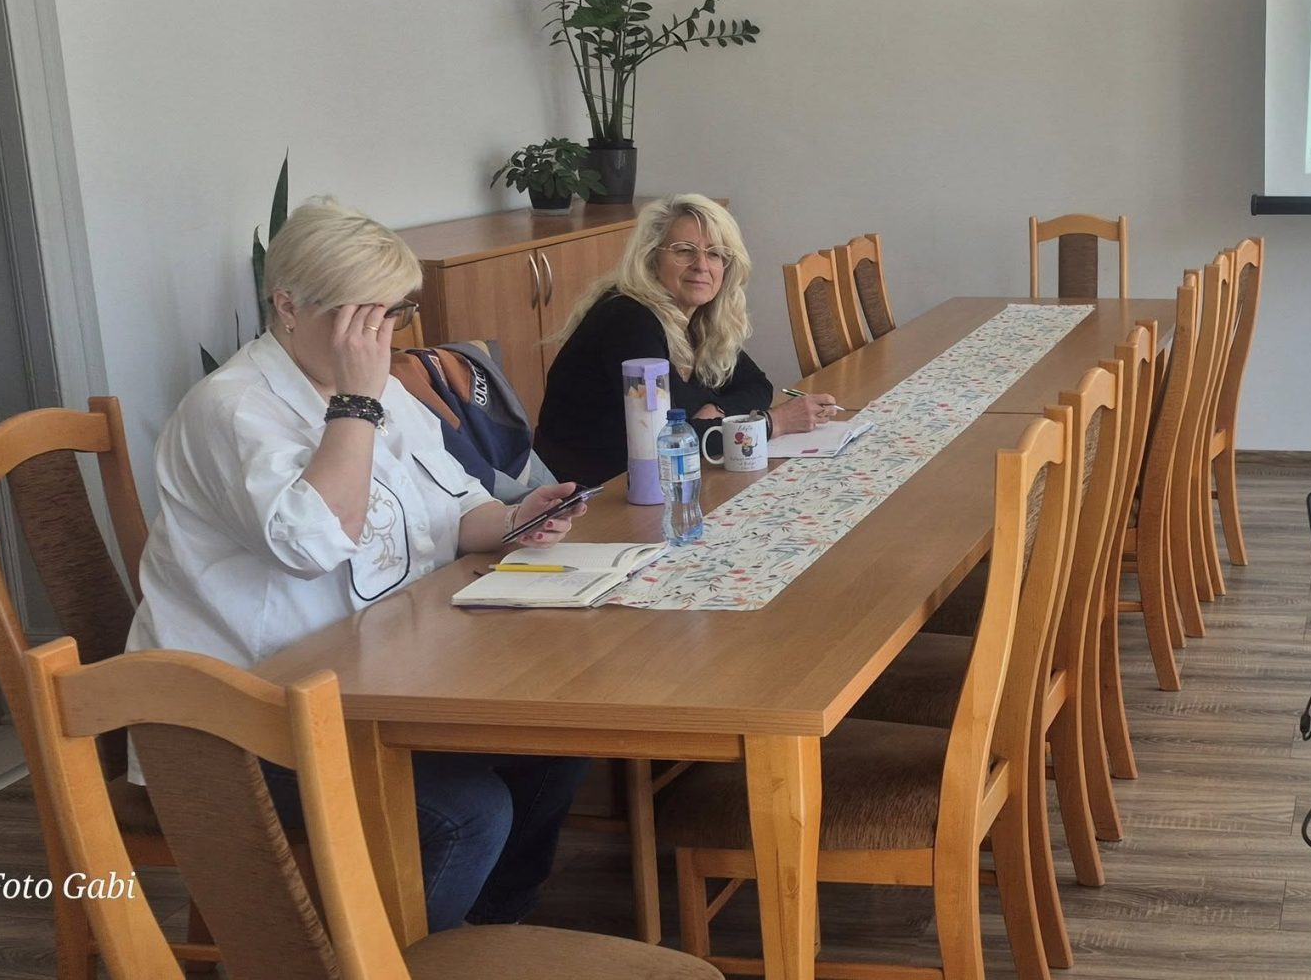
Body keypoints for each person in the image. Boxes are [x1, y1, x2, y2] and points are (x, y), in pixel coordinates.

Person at [127, 199, 594, 933]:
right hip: (243, 721)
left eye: (394, 313)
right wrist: (354, 403)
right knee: (467, 813)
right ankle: (370, 959)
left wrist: (515, 521)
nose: (381, 338)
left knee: (555, 746)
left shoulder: (379, 391)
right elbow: (312, 543)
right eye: (363, 315)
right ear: (288, 306)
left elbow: (455, 508)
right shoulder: (232, 409)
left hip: (372, 685)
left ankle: (481, 934)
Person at [532, 194, 836, 486]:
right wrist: (774, 423)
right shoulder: (628, 319)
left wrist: (717, 409)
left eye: (714, 253)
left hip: (654, 481)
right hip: (587, 496)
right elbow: (669, 441)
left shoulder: (699, 318)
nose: (701, 265)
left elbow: (757, 385)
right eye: (684, 250)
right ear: (651, 257)